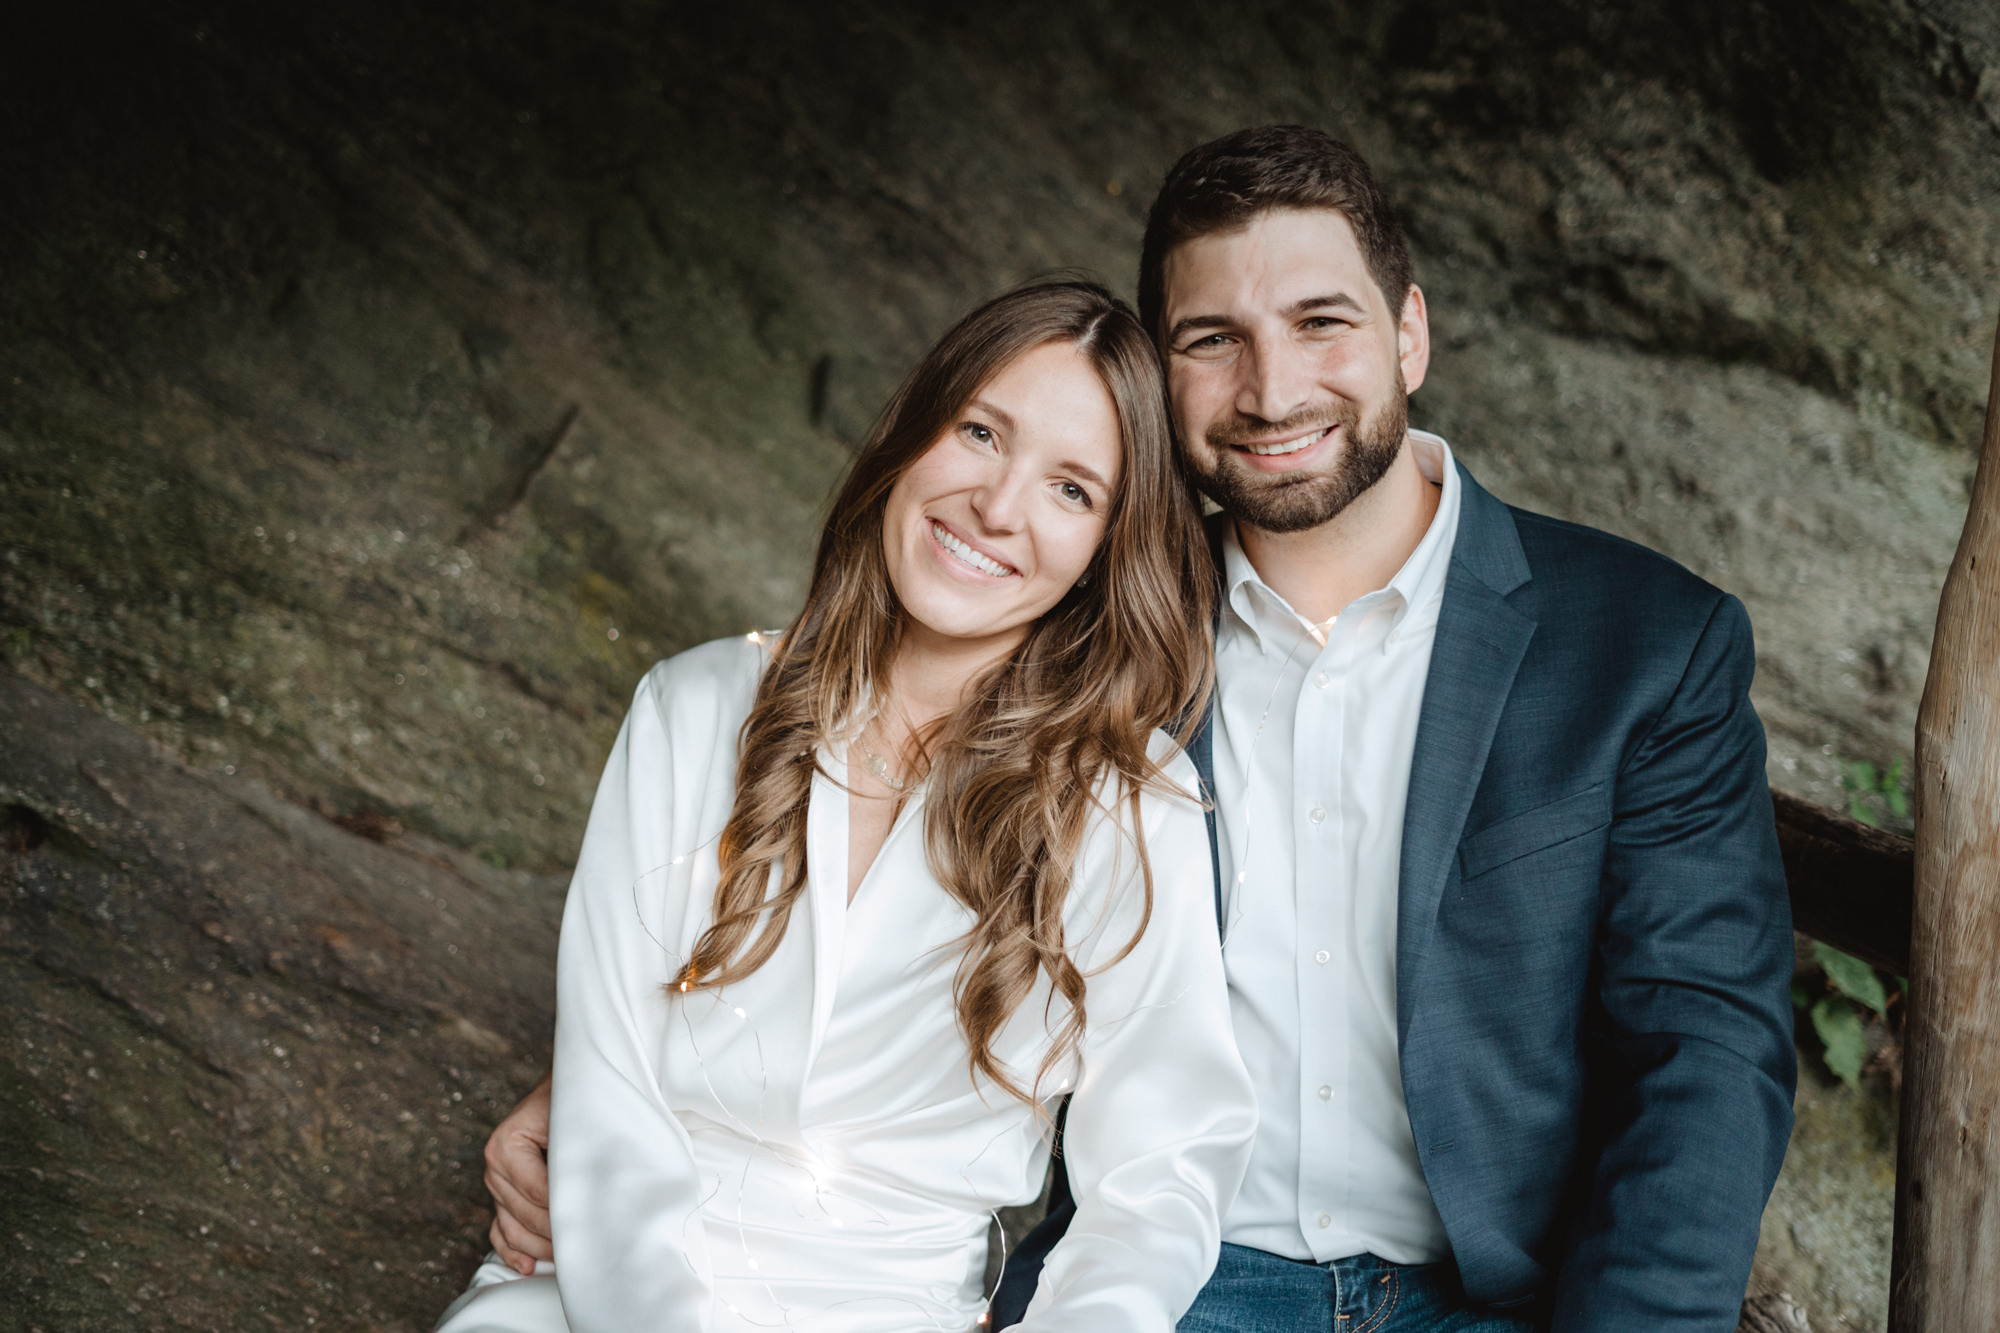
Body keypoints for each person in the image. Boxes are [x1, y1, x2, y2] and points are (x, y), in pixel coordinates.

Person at [485, 127, 1799, 1331]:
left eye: (1320, 322)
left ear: (1409, 334)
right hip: (1193, 1283)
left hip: (1491, 1291)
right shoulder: (1093, 640)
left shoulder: (1640, 646)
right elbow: (835, 813)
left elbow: (1707, 1052)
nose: (1270, 387)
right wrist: (621, 1092)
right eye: (1213, 338)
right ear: (1161, 380)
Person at [436, 280, 1257, 1333]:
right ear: (909, 436)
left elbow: (1162, 1171)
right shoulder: (694, 707)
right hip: (602, 1296)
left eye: (1069, 489)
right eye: (979, 433)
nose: (996, 508)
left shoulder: (1131, 806)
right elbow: (609, 1085)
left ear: (1109, 546)